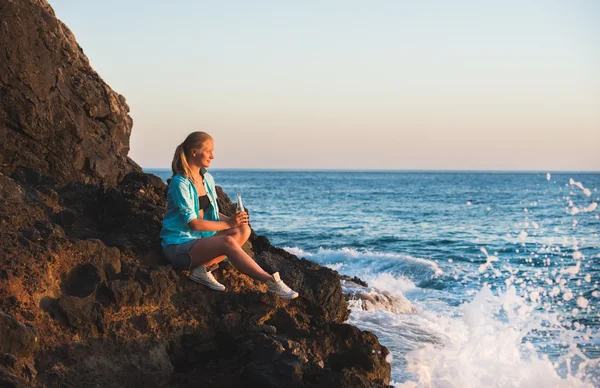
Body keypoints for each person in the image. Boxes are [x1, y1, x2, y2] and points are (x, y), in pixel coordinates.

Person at [160, 131, 298, 300]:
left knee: (243, 230)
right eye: (208, 150)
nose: (212, 156)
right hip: (179, 247)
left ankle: (201, 270)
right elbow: (194, 223)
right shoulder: (180, 183)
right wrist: (228, 224)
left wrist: (235, 221)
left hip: (200, 240)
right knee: (227, 241)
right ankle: (271, 281)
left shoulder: (207, 179)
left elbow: (211, 213)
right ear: (194, 151)